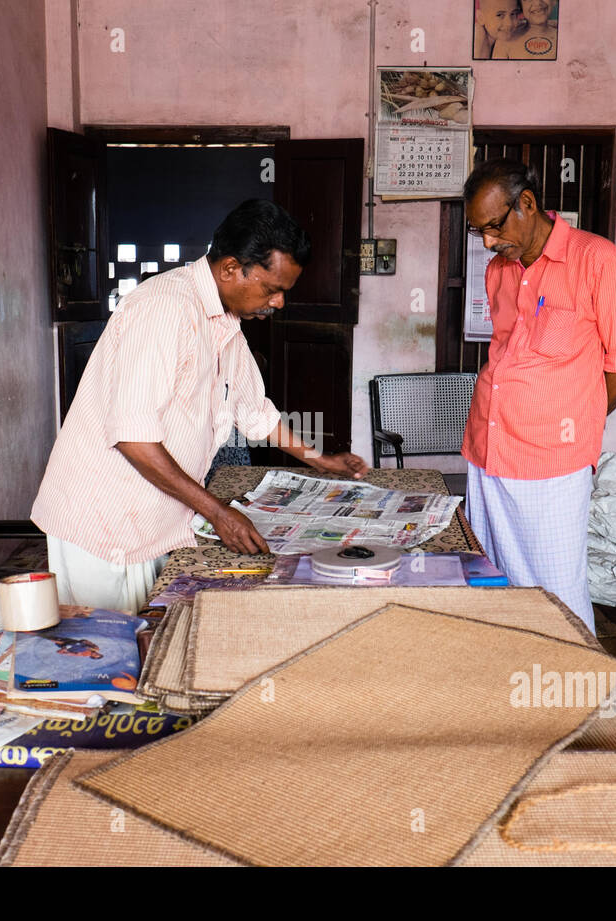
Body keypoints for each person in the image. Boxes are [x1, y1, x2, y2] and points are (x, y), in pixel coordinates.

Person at [30, 199, 370, 613]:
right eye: (272, 288)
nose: (279, 303)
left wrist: (321, 461)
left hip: (156, 515)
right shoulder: (165, 309)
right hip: (106, 522)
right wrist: (218, 513)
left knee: (151, 640)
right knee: (107, 656)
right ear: (230, 269)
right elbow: (133, 439)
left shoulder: (226, 322)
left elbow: (254, 411)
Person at [460, 159, 616, 634]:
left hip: (552, 461)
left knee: (554, 592)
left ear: (527, 203)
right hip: (488, 449)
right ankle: (514, 684)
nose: (487, 242)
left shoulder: (597, 260)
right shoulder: (501, 270)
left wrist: (576, 418)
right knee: (493, 578)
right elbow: (506, 351)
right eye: (477, 231)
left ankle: (575, 695)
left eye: (493, 226)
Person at [492, 0, 558, 60]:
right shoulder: (506, 39)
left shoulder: (562, 37)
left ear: (554, 1)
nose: (538, 3)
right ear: (519, 6)